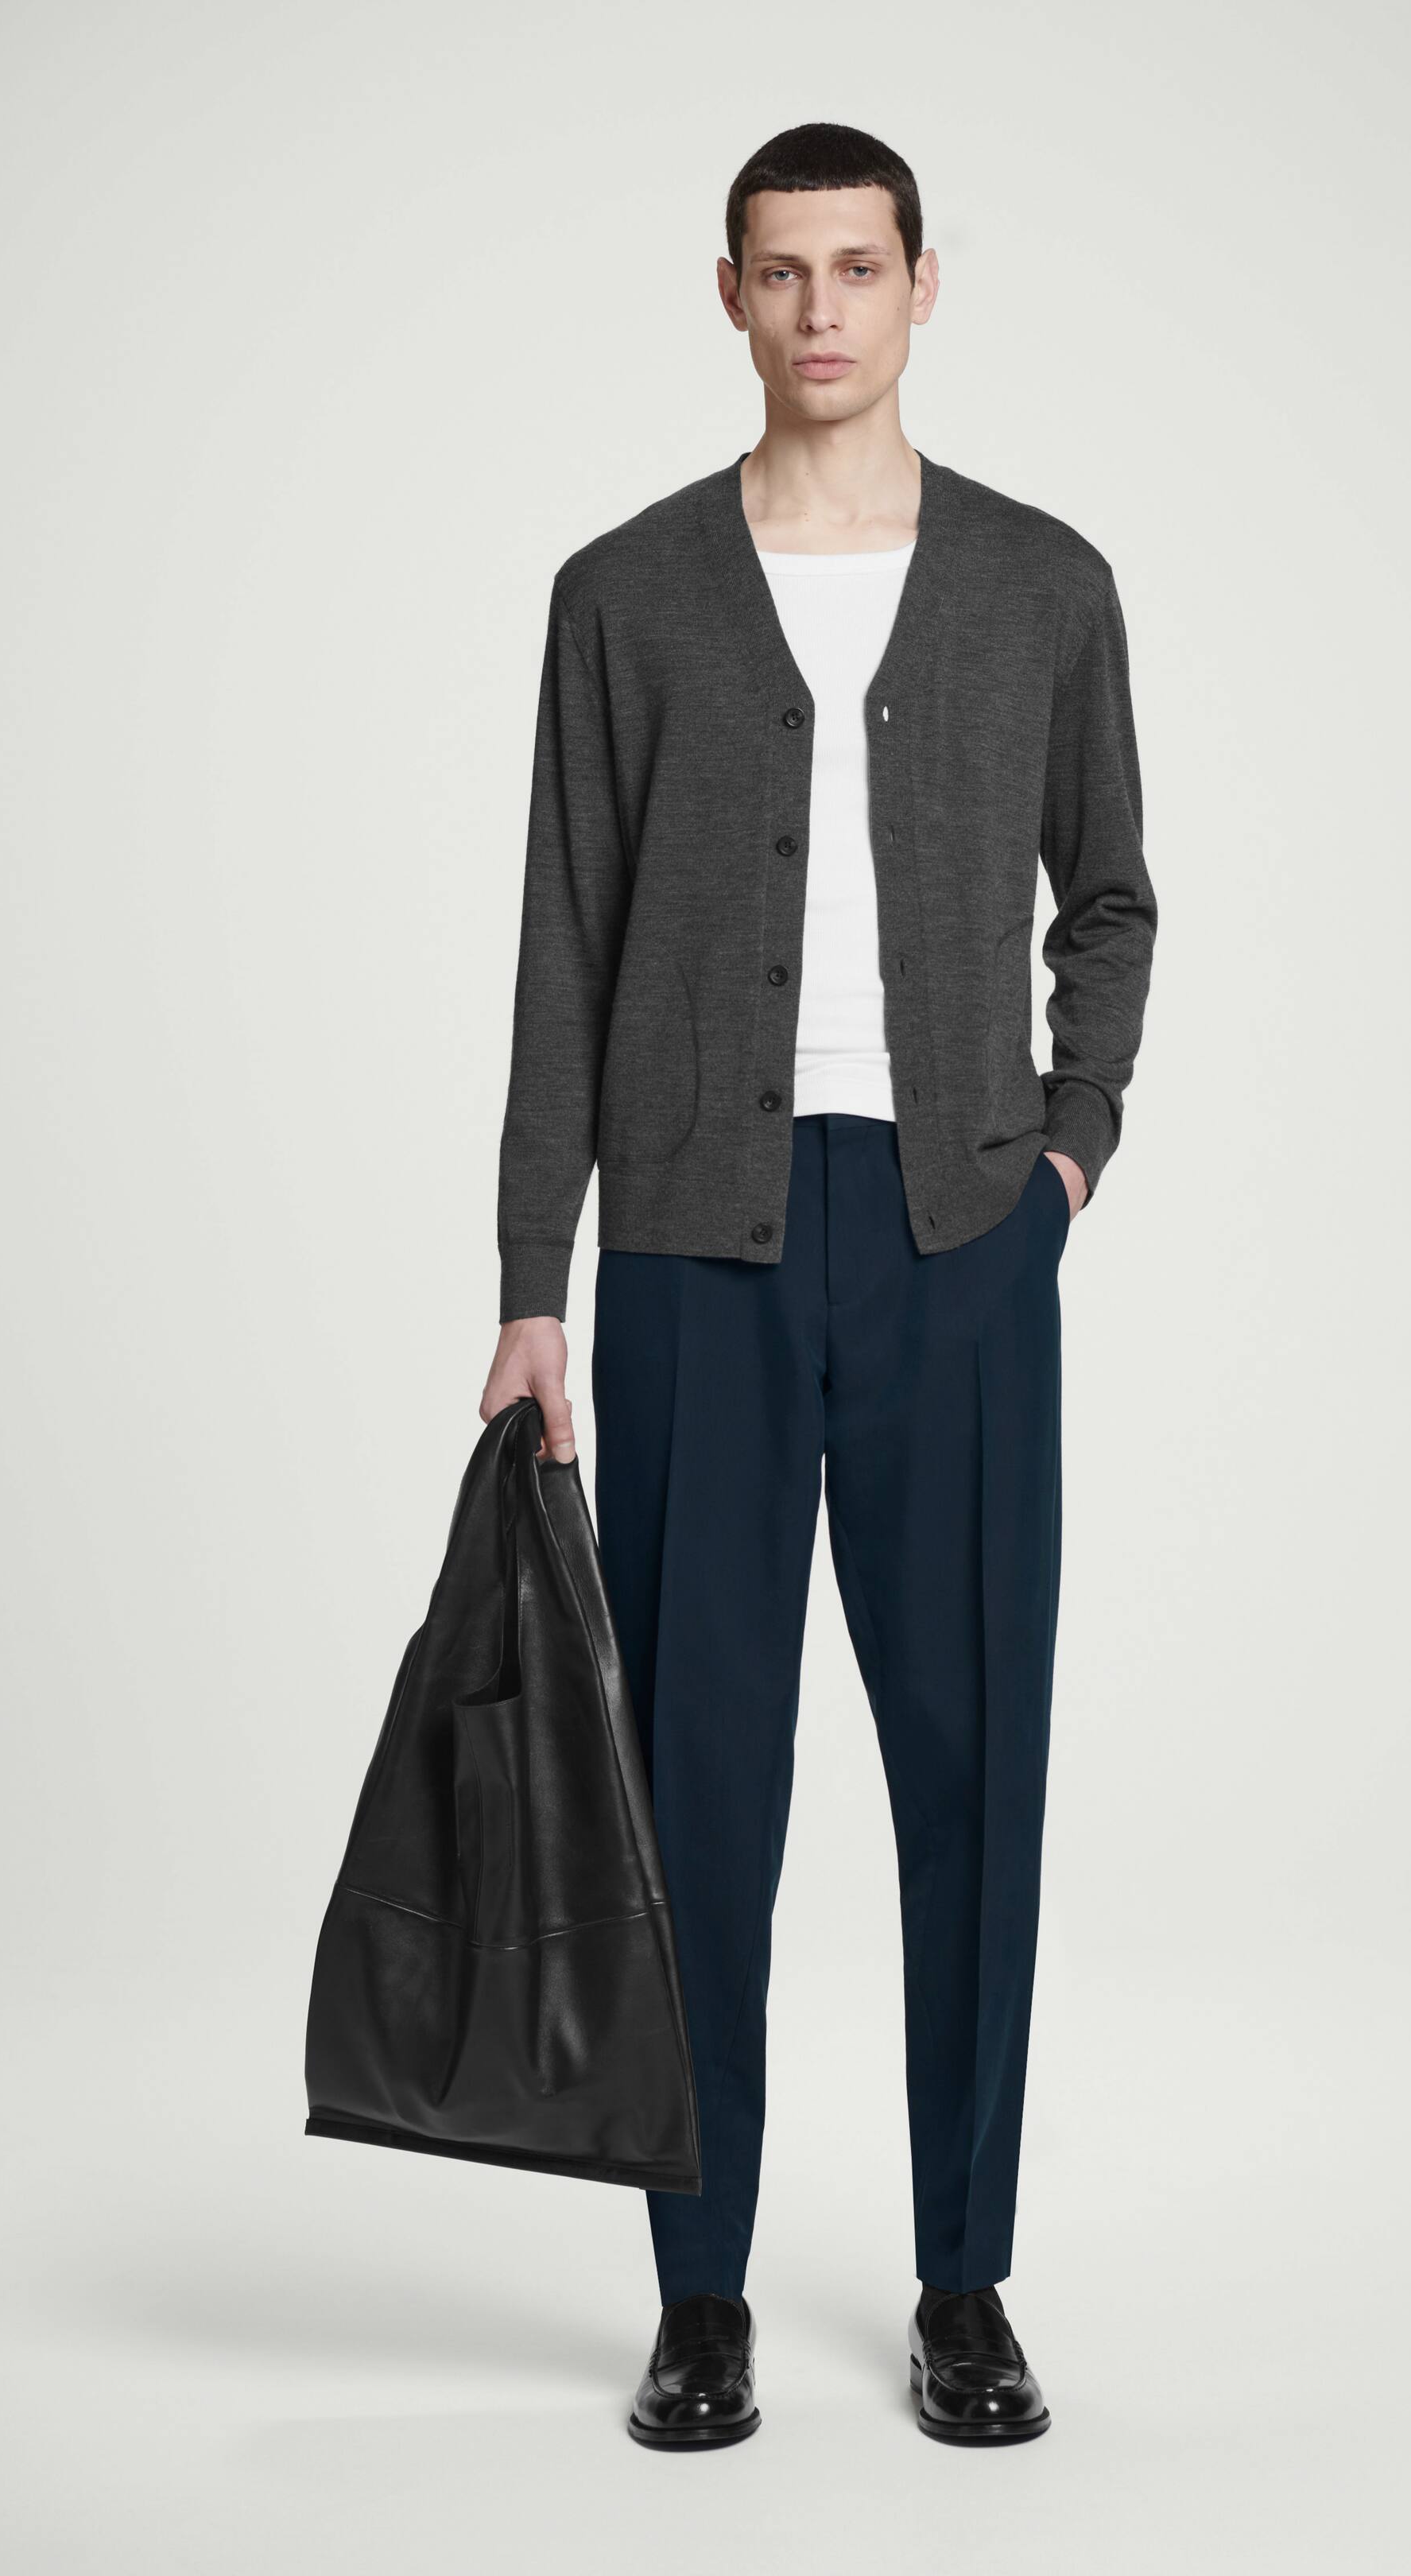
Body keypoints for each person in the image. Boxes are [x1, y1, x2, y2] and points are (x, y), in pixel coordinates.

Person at [479, 120, 1157, 2448]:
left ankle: (966, 2281)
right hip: (695, 1249)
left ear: (923, 285)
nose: (822, 311)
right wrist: (533, 1278)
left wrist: (1069, 1148)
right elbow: (564, 951)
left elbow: (1113, 898)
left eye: (860, 269)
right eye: (783, 273)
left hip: (961, 1243)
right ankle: (702, 2294)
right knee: (698, 1784)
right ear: (731, 295)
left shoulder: (1043, 585)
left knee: (974, 1768)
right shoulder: (625, 594)